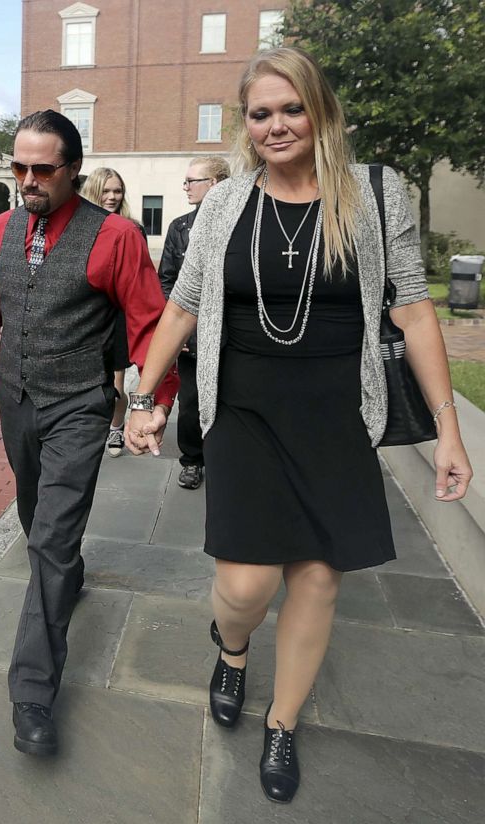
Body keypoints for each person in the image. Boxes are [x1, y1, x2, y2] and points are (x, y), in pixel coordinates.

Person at [125, 47, 473, 803]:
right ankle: (236, 647)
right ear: (245, 127)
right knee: (245, 584)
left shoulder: (373, 197)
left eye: (291, 109)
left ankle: (282, 722)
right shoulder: (224, 205)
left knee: (318, 577)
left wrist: (448, 428)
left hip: (335, 415)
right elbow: (182, 306)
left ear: (320, 112)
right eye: (261, 114)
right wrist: (144, 396)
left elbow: (413, 308)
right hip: (244, 410)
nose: (277, 125)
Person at [0, 110, 178, 757]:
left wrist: (151, 401)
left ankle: (33, 690)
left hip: (79, 405)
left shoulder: (115, 237)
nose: (28, 180)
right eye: (19, 167)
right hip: (15, 400)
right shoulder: (1, 232)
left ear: (73, 169)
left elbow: (150, 325)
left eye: (43, 169)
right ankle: (64, 570)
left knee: (51, 540)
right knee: (35, 514)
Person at [159, 156, 231, 489]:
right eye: (185, 181)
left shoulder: (240, 223)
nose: (186, 187)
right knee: (190, 403)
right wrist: (182, 327)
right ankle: (192, 460)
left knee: (230, 401)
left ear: (214, 184)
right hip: (193, 334)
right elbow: (167, 280)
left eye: (192, 181)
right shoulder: (180, 227)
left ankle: (226, 460)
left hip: (233, 335)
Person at [80, 167, 146, 457]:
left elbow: (142, 282)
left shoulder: (133, 228)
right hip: (87, 315)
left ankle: (116, 428)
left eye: (117, 190)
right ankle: (88, 429)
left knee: (116, 380)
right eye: (105, 190)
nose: (112, 196)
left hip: (118, 316)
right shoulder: (79, 227)